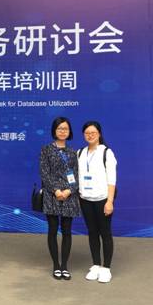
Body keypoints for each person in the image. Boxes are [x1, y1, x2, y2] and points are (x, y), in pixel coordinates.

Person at [39, 117, 80, 280]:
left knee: (67, 231)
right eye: (60, 128)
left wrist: (69, 190)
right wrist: (56, 190)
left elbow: (77, 175)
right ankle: (56, 265)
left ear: (69, 132)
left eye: (65, 129)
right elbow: (44, 173)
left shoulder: (73, 152)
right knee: (52, 230)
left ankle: (64, 266)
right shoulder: (46, 150)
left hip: (69, 196)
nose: (63, 131)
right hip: (52, 195)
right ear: (54, 131)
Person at [78, 121, 117, 283]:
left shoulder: (106, 152)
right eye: (87, 133)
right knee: (92, 232)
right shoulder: (80, 153)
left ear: (99, 134)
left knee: (105, 233)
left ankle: (106, 268)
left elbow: (112, 180)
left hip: (102, 200)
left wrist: (110, 201)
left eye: (93, 132)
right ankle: (95, 265)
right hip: (85, 199)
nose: (90, 135)